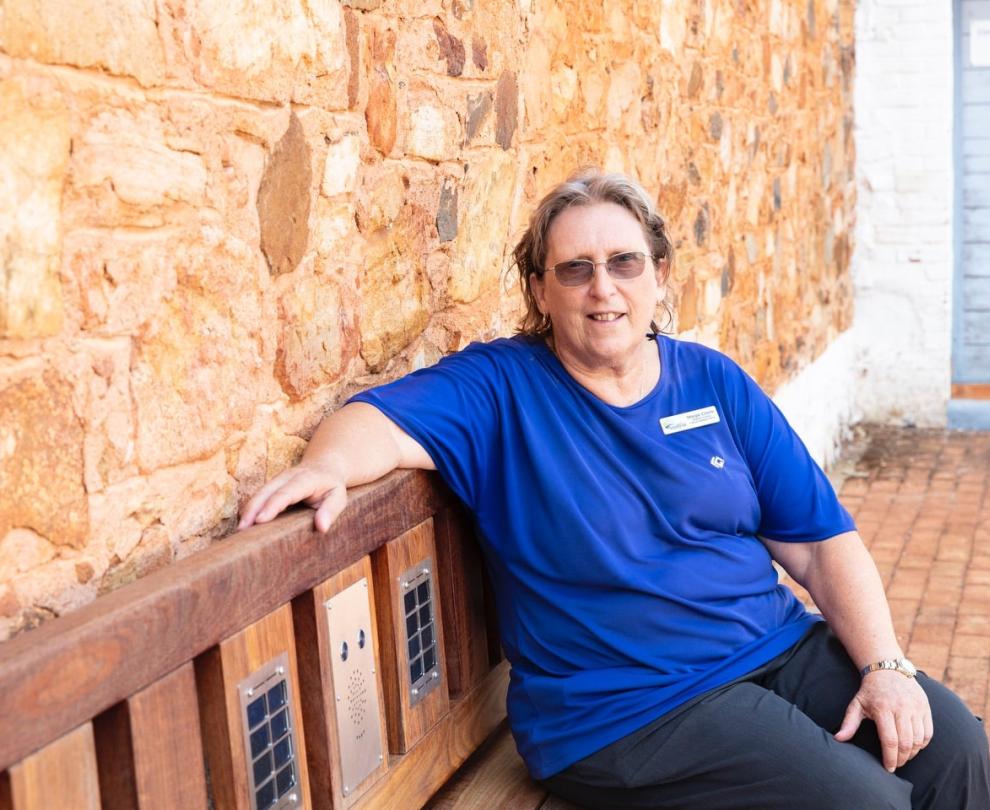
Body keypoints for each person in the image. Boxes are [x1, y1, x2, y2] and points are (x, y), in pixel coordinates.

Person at [239, 170, 990, 809]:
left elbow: (822, 545)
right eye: (575, 269)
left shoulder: (712, 381)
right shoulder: (502, 389)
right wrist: (329, 466)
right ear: (539, 287)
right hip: (630, 708)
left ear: (659, 274)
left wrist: (885, 667)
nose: (604, 288)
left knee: (954, 748)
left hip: (772, 648)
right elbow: (375, 418)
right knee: (868, 801)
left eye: (625, 263)